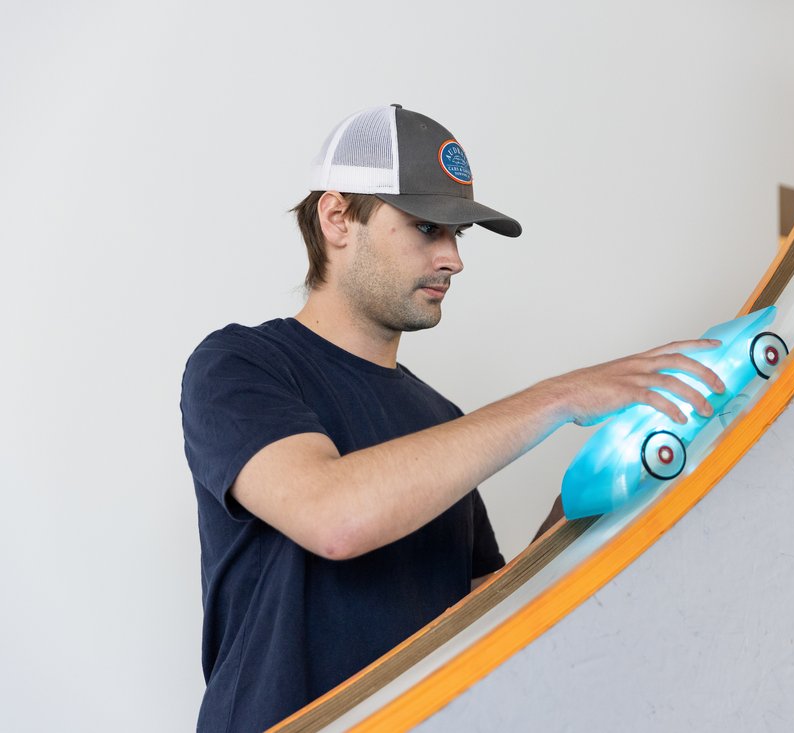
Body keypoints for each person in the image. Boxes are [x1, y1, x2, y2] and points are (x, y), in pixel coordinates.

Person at [180, 104, 725, 732]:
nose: (453, 259)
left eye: (457, 235)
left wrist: (594, 490)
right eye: (426, 228)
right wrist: (560, 396)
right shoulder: (241, 364)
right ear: (337, 218)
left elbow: (483, 614)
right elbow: (333, 517)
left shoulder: (439, 417)